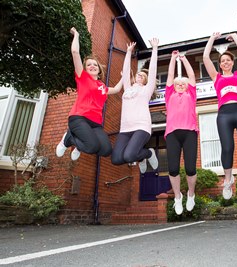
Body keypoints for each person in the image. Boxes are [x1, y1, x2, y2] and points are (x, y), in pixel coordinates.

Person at [203, 32, 237, 200]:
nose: (225, 62)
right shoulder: (216, 77)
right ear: (220, 65)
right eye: (222, 61)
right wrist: (212, 38)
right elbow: (205, 57)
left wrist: (235, 36)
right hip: (224, 114)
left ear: (232, 63)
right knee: (227, 148)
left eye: (228, 60)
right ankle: (228, 179)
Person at [56, 27, 123, 161]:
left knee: (106, 150)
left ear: (99, 70)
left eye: (95, 65)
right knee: (92, 146)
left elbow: (116, 89)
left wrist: (124, 77)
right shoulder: (82, 77)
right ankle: (68, 138)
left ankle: (79, 146)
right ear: (85, 69)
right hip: (79, 118)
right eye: (89, 65)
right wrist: (76, 35)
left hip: (95, 123)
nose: (92, 66)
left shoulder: (102, 87)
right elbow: (75, 52)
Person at [110, 39, 159, 173]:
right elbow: (125, 72)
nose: (139, 76)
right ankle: (142, 157)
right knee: (116, 159)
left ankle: (148, 154)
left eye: (142, 76)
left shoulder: (146, 90)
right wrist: (128, 52)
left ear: (146, 80)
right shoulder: (127, 88)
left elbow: (153, 69)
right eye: (138, 74)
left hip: (141, 127)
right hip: (125, 128)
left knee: (130, 155)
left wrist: (154, 49)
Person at [165, 50, 198, 215]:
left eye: (183, 83)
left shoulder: (191, 95)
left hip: (190, 132)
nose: (180, 84)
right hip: (172, 134)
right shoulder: (169, 94)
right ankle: (178, 197)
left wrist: (184, 59)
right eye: (177, 83)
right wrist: (172, 59)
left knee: (191, 168)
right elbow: (170, 75)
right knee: (173, 169)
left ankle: (191, 194)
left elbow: (191, 75)